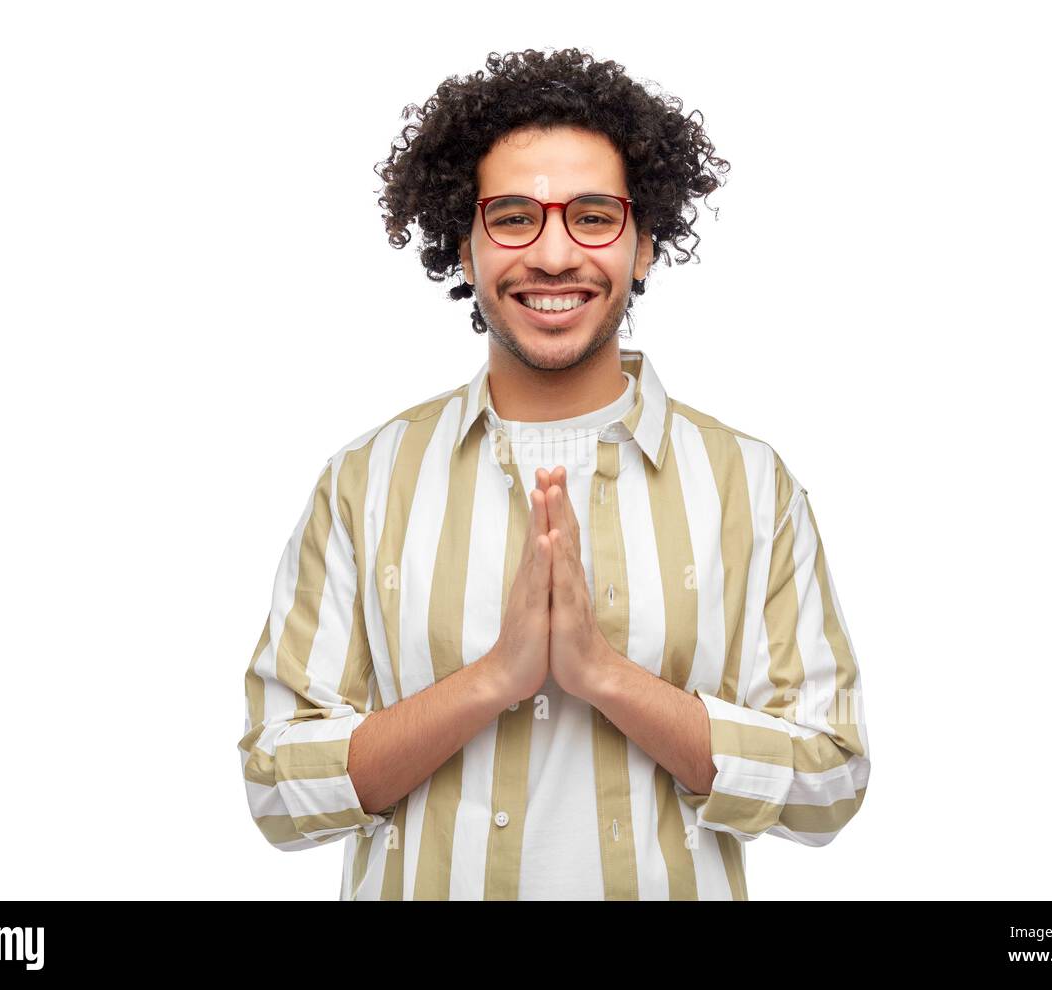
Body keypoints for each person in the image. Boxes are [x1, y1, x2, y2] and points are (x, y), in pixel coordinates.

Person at [237, 47, 871, 900]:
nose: (553, 254)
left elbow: (830, 780)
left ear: (645, 243)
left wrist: (604, 676)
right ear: (464, 247)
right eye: (512, 218)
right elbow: (276, 785)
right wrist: (494, 678)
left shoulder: (749, 487)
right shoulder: (365, 481)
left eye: (593, 216)